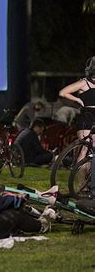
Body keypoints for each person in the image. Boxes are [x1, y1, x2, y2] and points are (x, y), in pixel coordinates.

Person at [59, 56, 95, 197]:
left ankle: (87, 184)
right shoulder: (84, 82)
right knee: (85, 149)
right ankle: (81, 184)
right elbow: (63, 92)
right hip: (86, 116)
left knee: (90, 151)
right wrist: (78, 99)